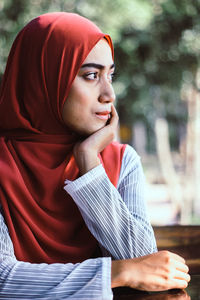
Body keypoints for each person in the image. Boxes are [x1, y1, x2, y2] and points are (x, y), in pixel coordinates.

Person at [0, 12, 190, 299]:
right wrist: (118, 272)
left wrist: (89, 162)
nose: (109, 94)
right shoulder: (4, 163)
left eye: (110, 75)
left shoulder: (122, 161)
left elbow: (142, 259)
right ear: (45, 81)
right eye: (91, 76)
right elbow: (4, 280)